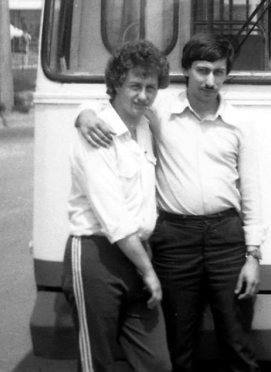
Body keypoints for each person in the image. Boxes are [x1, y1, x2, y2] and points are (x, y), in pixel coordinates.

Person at [79, 33, 263, 372]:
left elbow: (251, 194)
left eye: (219, 72)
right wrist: (84, 114)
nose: (210, 81)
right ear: (186, 70)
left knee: (238, 343)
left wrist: (253, 255)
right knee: (178, 343)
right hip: (175, 239)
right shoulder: (157, 111)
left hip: (227, 238)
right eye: (202, 70)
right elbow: (113, 102)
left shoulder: (241, 123)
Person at [64, 40, 172, 372]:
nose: (143, 95)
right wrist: (149, 271)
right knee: (96, 363)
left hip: (137, 252)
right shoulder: (96, 132)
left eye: (151, 87)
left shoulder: (145, 126)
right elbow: (113, 217)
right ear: (116, 85)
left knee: (157, 365)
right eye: (135, 86)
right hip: (98, 256)